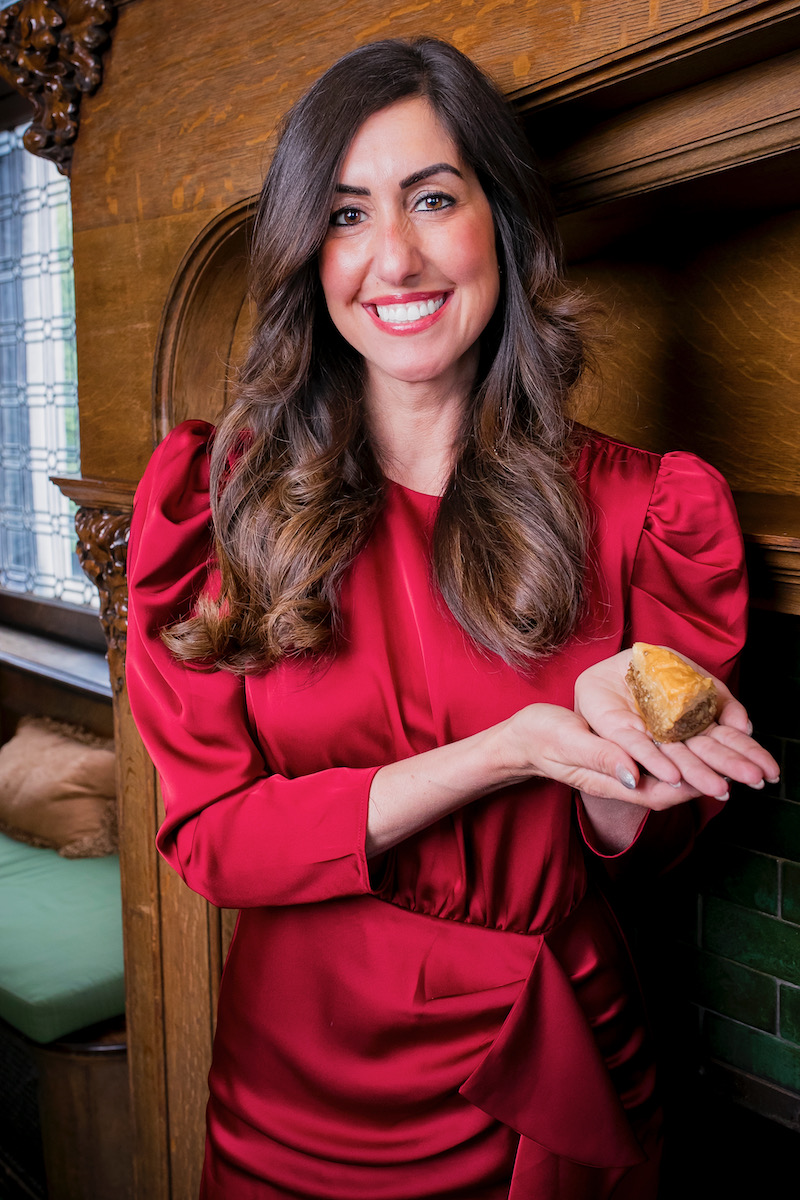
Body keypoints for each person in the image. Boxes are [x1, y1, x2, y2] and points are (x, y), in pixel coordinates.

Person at [125, 36, 779, 1200]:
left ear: (503, 225)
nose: (394, 257)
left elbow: (643, 850)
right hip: (301, 1090)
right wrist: (506, 749)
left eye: (433, 198)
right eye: (344, 214)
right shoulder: (214, 504)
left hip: (559, 1067)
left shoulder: (647, 512)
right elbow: (214, 844)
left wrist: (614, 788)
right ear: (303, 254)